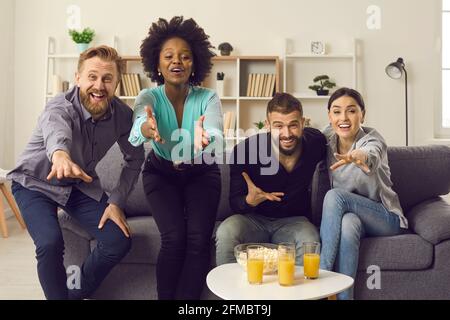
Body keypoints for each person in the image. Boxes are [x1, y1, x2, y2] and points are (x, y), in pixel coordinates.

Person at [7, 46, 145, 300]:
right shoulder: (59, 106)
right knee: (49, 243)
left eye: (107, 79)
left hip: (78, 186)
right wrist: (60, 155)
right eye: (92, 77)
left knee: (118, 240)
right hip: (35, 182)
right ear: (78, 78)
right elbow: (55, 131)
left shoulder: (123, 116)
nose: (99, 86)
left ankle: (73, 293)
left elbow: (136, 156)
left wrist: (116, 201)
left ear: (117, 84)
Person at [128, 16, 223, 300]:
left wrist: (206, 139)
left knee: (197, 241)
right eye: (168, 56)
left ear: (195, 63)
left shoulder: (208, 97)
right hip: (161, 174)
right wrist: (146, 127)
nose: (176, 61)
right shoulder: (149, 97)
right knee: (174, 239)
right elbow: (136, 130)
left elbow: (217, 133)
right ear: (157, 63)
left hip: (202, 173)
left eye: (184, 56)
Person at [215, 93, 326, 266]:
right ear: (267, 125)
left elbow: (339, 135)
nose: (287, 133)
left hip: (295, 221)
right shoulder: (245, 151)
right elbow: (235, 202)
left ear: (303, 123)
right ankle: (230, 291)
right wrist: (249, 201)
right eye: (278, 126)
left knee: (309, 237)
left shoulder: (316, 142)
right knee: (227, 230)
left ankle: (297, 292)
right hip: (254, 220)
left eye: (293, 125)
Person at [319, 87, 408, 300]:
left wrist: (360, 156)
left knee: (335, 196)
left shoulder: (373, 139)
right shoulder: (327, 139)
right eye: (337, 111)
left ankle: (320, 278)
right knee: (349, 223)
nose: (344, 117)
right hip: (355, 218)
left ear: (362, 114)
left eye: (351, 111)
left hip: (386, 217)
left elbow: (372, 153)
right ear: (329, 116)